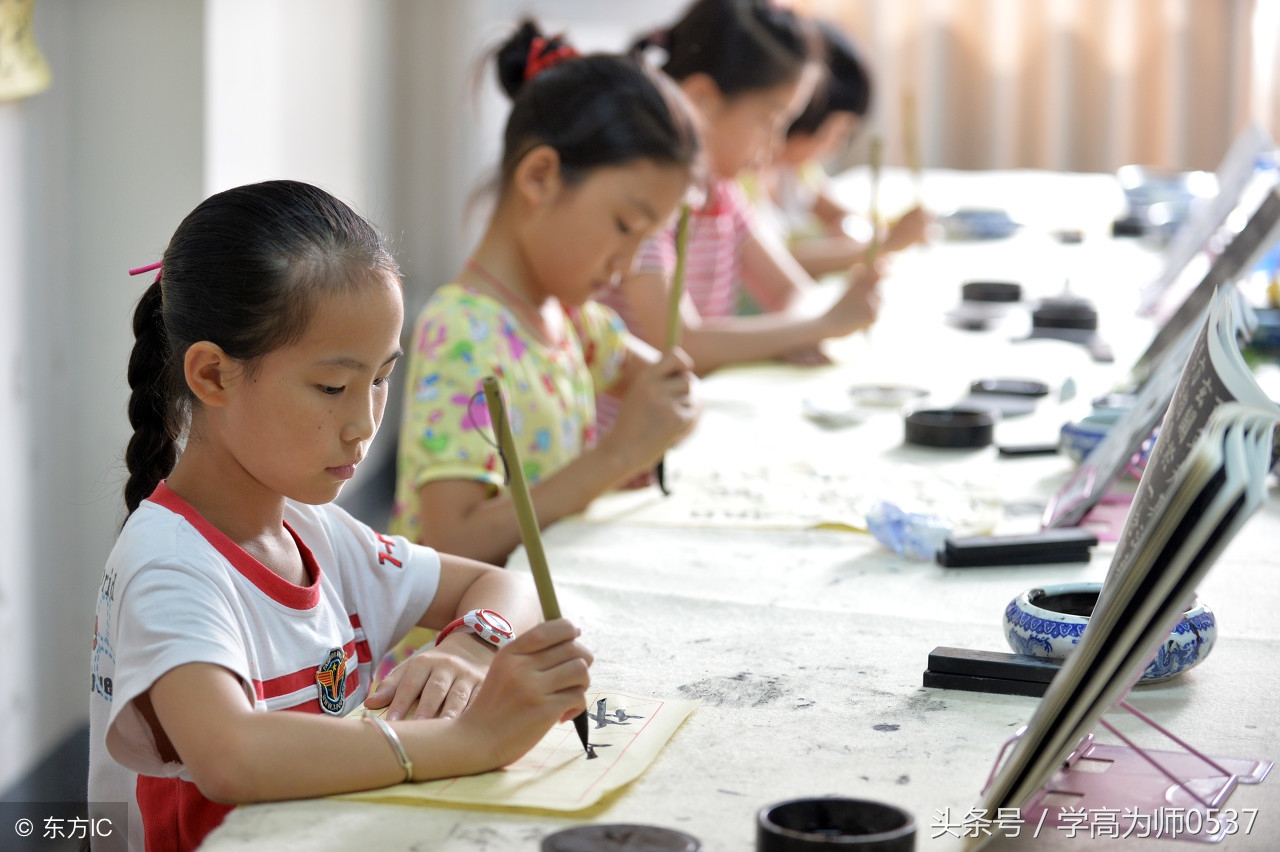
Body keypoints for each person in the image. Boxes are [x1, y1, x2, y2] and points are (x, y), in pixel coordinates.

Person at [89, 180, 593, 852]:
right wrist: (468, 739)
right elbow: (231, 754)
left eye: (381, 378)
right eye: (332, 387)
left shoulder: (315, 532)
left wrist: (474, 645)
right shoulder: (170, 564)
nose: (363, 424)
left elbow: (507, 586)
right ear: (212, 375)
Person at [388, 21, 701, 566]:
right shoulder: (461, 331)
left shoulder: (576, 322)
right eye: (625, 226)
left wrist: (670, 405)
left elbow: (667, 389)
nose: (627, 267)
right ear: (540, 177)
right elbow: (447, 546)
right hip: (466, 645)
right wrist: (619, 453)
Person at [601, 0, 883, 373]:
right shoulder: (647, 204)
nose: (776, 144)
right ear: (701, 100)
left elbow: (791, 289)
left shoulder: (722, 195)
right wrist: (817, 327)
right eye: (769, 120)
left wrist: (799, 332)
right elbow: (681, 342)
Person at [754, 19, 929, 279]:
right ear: (805, 115)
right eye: (837, 132)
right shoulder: (744, 183)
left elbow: (837, 212)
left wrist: (879, 231)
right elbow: (777, 264)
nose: (838, 145)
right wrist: (883, 246)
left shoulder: (796, 173)